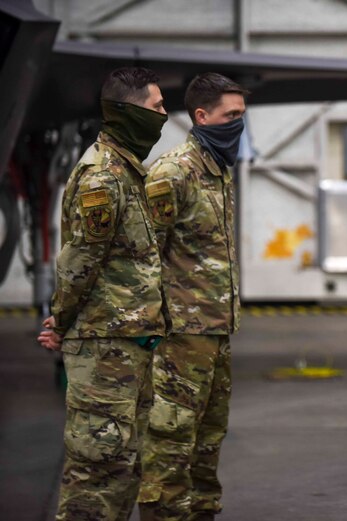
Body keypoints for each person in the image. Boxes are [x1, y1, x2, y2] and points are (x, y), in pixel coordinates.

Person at [36, 67, 168, 520]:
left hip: (124, 346)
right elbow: (79, 263)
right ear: (128, 112)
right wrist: (62, 319)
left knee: (122, 468)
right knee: (97, 473)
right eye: (156, 106)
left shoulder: (127, 171)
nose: (165, 115)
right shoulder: (103, 178)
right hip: (103, 349)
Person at [138, 72, 247, 521]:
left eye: (242, 115)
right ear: (202, 116)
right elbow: (142, 254)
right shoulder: (172, 173)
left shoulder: (218, 170)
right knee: (170, 444)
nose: (239, 124)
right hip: (180, 336)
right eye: (232, 115)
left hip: (216, 332)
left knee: (207, 443)